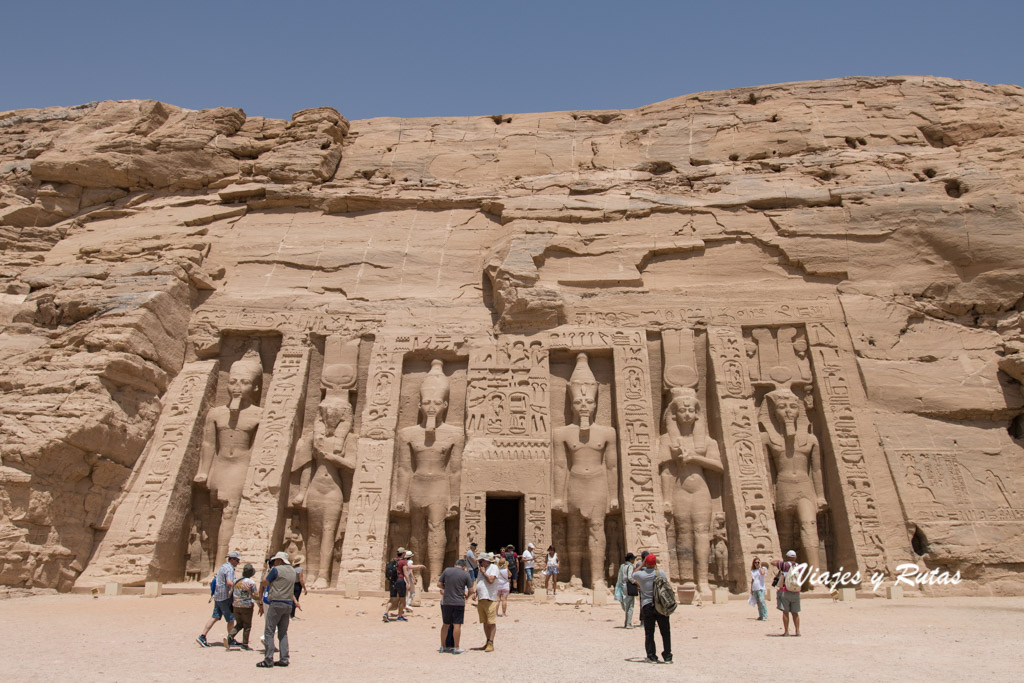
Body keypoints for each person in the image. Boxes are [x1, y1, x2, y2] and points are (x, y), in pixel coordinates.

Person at [392, 360, 465, 591]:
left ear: (445, 404)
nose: (431, 407)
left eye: (436, 402)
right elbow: (404, 469)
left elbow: (455, 470)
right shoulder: (408, 434)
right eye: (426, 402)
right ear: (420, 406)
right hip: (417, 484)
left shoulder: (454, 434)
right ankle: (418, 578)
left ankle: (435, 578)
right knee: (416, 532)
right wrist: (400, 497)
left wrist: (454, 499)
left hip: (440, 486)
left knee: (437, 529)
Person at [552, 353, 619, 589]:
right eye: (579, 402)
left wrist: (613, 495)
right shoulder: (562, 433)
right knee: (575, 530)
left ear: (595, 404)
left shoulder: (607, 432)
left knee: (597, 528)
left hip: (598, 483)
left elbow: (611, 465)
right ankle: (575, 575)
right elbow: (561, 466)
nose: (584, 406)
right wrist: (558, 496)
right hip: (575, 483)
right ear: (571, 403)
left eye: (588, 402)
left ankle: (598, 577)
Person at [257, 551, 301, 668]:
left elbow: (265, 582)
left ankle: (268, 659)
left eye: (276, 560)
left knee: (269, 631)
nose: (274, 562)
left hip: (276, 602)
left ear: (280, 561)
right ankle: (284, 659)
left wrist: (267, 569)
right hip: (288, 604)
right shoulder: (292, 570)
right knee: (283, 633)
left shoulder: (276, 570)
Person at [631, 554, 672, 664]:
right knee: (665, 631)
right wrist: (655, 568)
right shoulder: (661, 573)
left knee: (649, 632)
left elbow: (632, 574)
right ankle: (668, 656)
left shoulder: (641, 575)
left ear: (646, 563)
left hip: (647, 605)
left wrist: (642, 564)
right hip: (661, 605)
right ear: (655, 563)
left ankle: (651, 656)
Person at [196, 550, 241, 649]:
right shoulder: (229, 569)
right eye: (237, 560)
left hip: (218, 597)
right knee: (231, 619)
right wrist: (239, 585)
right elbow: (229, 583)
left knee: (215, 617)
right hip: (225, 597)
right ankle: (231, 639)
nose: (238, 563)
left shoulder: (223, 567)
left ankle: (202, 636)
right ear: (232, 560)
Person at [437, 559, 475, 654]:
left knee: (445, 624)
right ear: (463, 567)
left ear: (455, 565)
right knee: (457, 625)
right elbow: (471, 590)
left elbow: (439, 584)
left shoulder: (447, 570)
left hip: (447, 601)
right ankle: (456, 647)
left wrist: (448, 589)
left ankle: (443, 646)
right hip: (458, 602)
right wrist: (467, 596)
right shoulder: (465, 574)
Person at [771, 550, 802, 636]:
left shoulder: (784, 565)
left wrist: (781, 561)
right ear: (795, 557)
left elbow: (772, 562)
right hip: (796, 591)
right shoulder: (799, 566)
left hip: (785, 591)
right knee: (795, 613)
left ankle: (786, 632)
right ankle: (797, 631)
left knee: (785, 612)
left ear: (787, 557)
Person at [473, 552, 499, 652]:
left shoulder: (493, 568)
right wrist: (476, 592)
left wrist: (484, 573)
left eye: (480, 561)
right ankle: (487, 641)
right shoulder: (480, 570)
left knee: (491, 622)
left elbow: (491, 580)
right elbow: (479, 582)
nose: (479, 563)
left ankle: (491, 642)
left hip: (490, 598)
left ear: (486, 561)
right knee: (484, 622)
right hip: (481, 598)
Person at [229, 563, 258, 650]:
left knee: (239, 624)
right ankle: (244, 645)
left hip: (236, 606)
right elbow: (255, 596)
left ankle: (230, 636)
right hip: (246, 607)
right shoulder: (251, 582)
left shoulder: (236, 581)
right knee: (247, 626)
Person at [384, 548, 409, 622]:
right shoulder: (403, 562)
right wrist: (408, 582)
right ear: (403, 553)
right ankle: (400, 615)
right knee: (402, 599)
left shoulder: (393, 560)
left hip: (392, 581)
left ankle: (386, 613)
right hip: (400, 580)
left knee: (392, 599)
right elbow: (405, 573)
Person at [614, 552, 637, 628]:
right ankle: (628, 623)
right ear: (630, 559)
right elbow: (630, 577)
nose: (634, 560)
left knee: (627, 605)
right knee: (630, 606)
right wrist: (636, 582)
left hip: (623, 586)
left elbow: (620, 577)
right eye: (633, 559)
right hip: (629, 586)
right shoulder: (630, 566)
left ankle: (626, 622)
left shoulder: (622, 566)